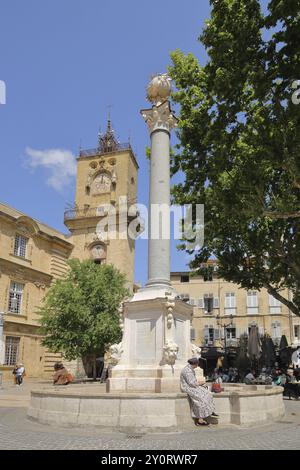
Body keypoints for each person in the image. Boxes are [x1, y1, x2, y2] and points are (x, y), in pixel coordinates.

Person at [180, 358, 218, 426]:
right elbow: (192, 383)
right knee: (201, 398)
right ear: (195, 364)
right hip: (188, 388)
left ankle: (209, 410)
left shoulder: (190, 369)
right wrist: (202, 382)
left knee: (207, 393)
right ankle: (200, 419)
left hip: (192, 386)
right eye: (197, 364)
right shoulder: (187, 371)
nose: (198, 365)